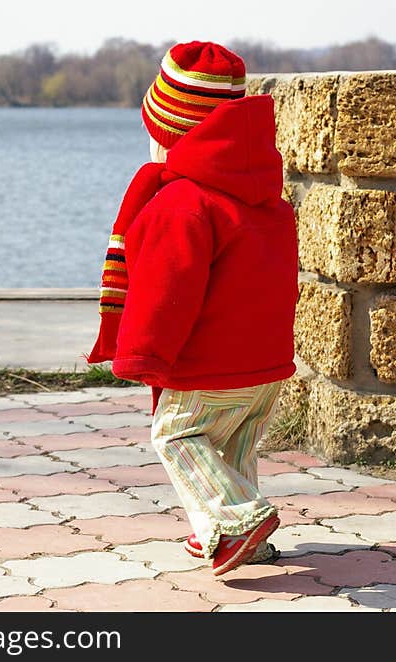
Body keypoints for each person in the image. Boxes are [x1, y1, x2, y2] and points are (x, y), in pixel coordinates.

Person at [83, 41, 299, 577]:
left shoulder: (181, 204)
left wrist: (141, 356)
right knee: (232, 448)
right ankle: (222, 534)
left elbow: (164, 293)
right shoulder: (266, 199)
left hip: (208, 365)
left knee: (177, 436)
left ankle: (237, 521)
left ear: (174, 135)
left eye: (153, 131)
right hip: (264, 366)